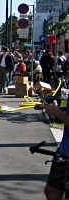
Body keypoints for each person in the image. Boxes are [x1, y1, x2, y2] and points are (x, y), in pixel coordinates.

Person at [44, 71, 69, 200]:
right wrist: (56, 111)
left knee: (54, 191)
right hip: (64, 150)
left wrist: (56, 112)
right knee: (51, 190)